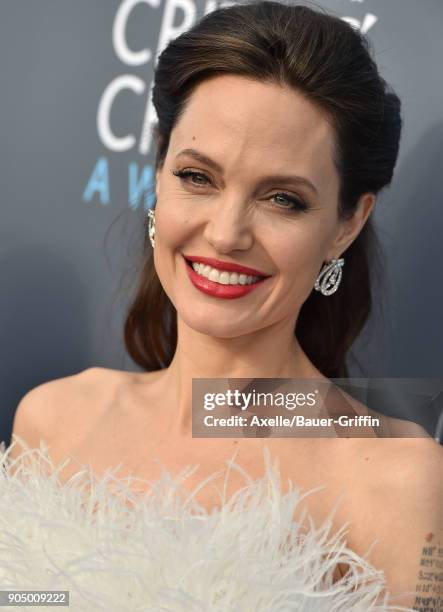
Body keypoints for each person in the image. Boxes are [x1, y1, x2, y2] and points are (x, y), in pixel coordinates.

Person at [7, 1, 442, 609]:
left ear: (347, 223)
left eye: (283, 199)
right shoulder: (52, 422)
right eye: (197, 177)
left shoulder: (400, 481)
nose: (227, 233)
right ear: (159, 173)